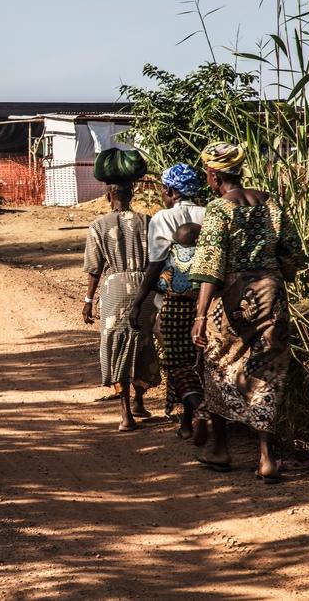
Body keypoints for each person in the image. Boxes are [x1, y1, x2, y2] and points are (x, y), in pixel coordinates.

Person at [190, 143, 302, 483]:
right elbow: (292, 252)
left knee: (219, 363)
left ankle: (220, 448)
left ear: (213, 174)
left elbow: (210, 265)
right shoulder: (270, 201)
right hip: (271, 292)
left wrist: (200, 315)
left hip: (233, 296)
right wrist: (278, 273)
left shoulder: (218, 209)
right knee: (268, 369)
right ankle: (267, 458)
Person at [128, 164, 208, 441]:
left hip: (173, 304)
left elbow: (156, 264)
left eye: (163, 189)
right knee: (199, 362)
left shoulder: (162, 218)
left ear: (171, 190)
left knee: (176, 362)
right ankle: (186, 422)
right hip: (207, 302)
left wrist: (138, 301)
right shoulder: (208, 213)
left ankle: (199, 412)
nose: (162, 193)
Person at [83, 181, 159, 431]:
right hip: (144, 287)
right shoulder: (148, 222)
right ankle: (139, 400)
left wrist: (88, 301)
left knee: (116, 346)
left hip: (114, 288)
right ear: (132, 193)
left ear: (108, 196)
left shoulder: (98, 226)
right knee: (143, 343)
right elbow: (157, 261)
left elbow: (95, 269)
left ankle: (125, 413)